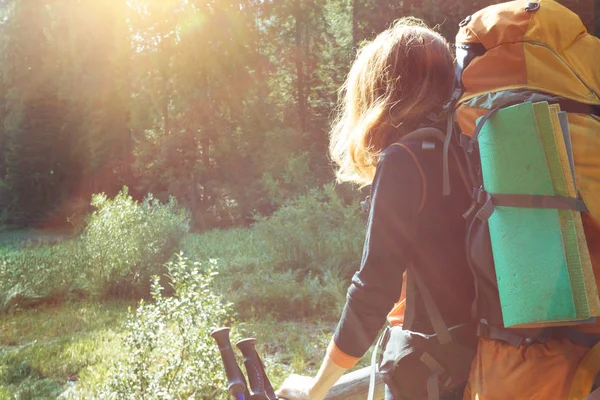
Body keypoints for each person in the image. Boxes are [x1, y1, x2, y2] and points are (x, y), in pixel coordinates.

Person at [275, 17, 475, 400]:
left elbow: (372, 290)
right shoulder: (469, 148)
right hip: (490, 358)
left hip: (435, 373)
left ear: (384, 90)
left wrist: (316, 390)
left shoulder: (406, 159)